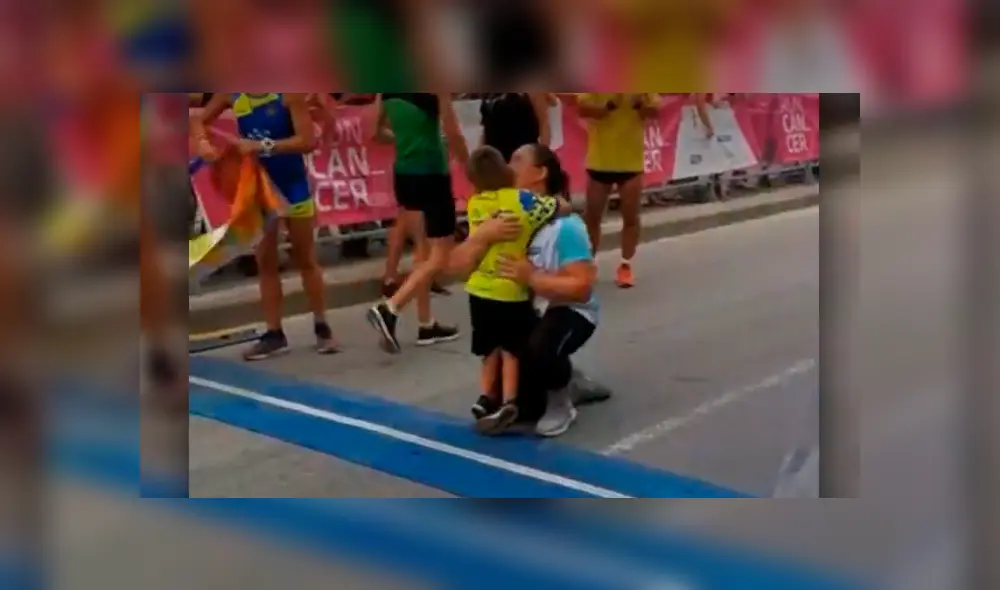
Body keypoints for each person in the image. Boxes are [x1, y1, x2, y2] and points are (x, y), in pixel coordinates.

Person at [449, 144, 604, 436]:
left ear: (540, 173)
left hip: (568, 309)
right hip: (525, 309)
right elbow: (455, 268)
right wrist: (481, 237)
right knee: (517, 402)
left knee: (539, 350)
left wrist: (530, 276)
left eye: (517, 160)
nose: (508, 166)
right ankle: (566, 377)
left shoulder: (566, 226)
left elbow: (581, 289)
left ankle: (561, 401)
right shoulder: (499, 215)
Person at [191, 93, 338, 360]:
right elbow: (197, 120)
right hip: (259, 189)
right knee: (266, 262)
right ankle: (274, 334)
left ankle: (322, 326)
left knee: (305, 258)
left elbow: (307, 141)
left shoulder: (288, 93)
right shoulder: (233, 93)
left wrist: (261, 146)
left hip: (293, 187)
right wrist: (203, 144)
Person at [464, 146, 563, 433]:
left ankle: (485, 397)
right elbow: (554, 207)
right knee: (511, 351)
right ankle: (509, 399)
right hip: (511, 289)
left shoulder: (475, 204)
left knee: (488, 350)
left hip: (480, 288)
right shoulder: (523, 200)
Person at [366, 93, 469, 352]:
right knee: (440, 254)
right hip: (432, 172)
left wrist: (402, 139)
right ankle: (391, 308)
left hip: (404, 173)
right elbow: (453, 131)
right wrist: (471, 169)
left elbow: (375, 132)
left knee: (422, 251)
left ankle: (426, 324)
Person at [577, 93, 659, 288]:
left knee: (630, 216)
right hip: (600, 160)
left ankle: (625, 265)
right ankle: (589, 263)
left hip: (630, 163)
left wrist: (641, 104)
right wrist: (608, 105)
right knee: (592, 216)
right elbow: (583, 109)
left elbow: (655, 112)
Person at [479, 92, 551, 162]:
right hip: (494, 161)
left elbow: (543, 123)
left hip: (523, 158)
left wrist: (541, 159)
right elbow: (486, 129)